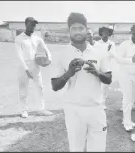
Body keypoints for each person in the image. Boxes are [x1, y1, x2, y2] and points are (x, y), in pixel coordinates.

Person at [50, 13, 112, 152]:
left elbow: (108, 79)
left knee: (98, 148)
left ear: (86, 29)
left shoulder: (99, 52)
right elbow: (55, 86)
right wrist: (69, 73)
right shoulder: (62, 54)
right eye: (74, 29)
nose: (77, 32)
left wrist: (97, 72)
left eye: (80, 28)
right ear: (69, 31)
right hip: (74, 110)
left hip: (96, 108)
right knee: (76, 148)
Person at [14, 17, 53, 118]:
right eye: (32, 24)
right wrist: (26, 69)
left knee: (40, 87)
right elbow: (19, 56)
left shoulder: (37, 38)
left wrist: (49, 60)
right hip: (23, 66)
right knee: (23, 89)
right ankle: (24, 110)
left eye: (35, 25)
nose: (33, 27)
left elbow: (47, 50)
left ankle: (41, 109)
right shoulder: (19, 38)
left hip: (35, 65)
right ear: (26, 24)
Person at [94, 25, 116, 109]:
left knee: (105, 86)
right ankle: (96, 101)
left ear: (109, 34)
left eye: (107, 32)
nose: (105, 34)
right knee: (97, 85)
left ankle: (102, 103)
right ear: (101, 33)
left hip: (107, 67)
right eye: (103, 32)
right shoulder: (97, 43)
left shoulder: (112, 44)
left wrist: (109, 51)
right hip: (98, 66)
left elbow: (114, 56)